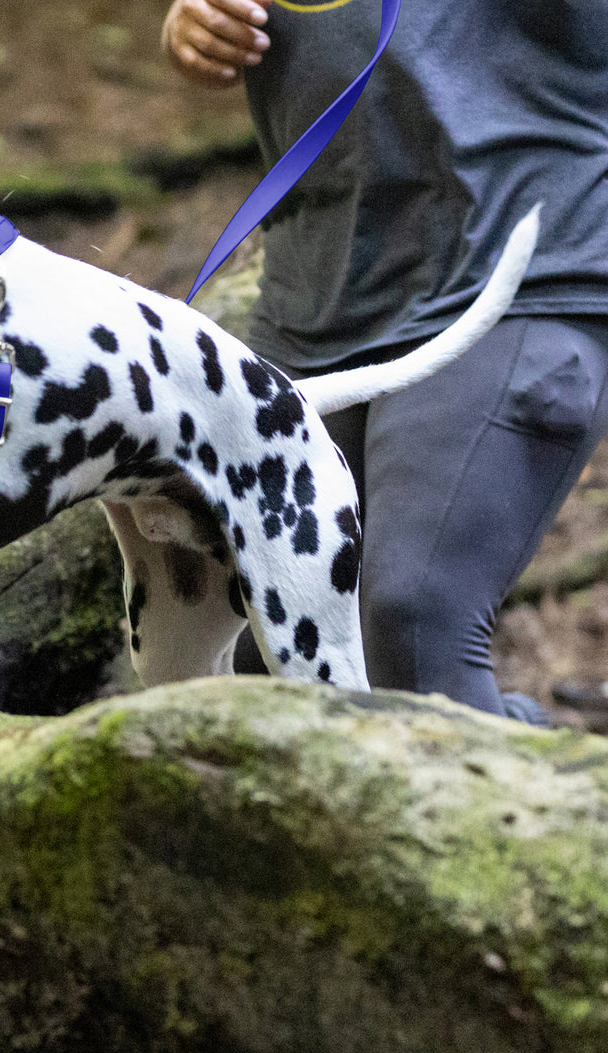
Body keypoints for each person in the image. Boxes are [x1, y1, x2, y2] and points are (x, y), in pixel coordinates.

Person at [160, 0, 608, 722]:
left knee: (413, 623)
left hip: (518, 267)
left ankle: (547, 812)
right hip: (314, 294)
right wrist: (193, 24)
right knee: (258, 659)